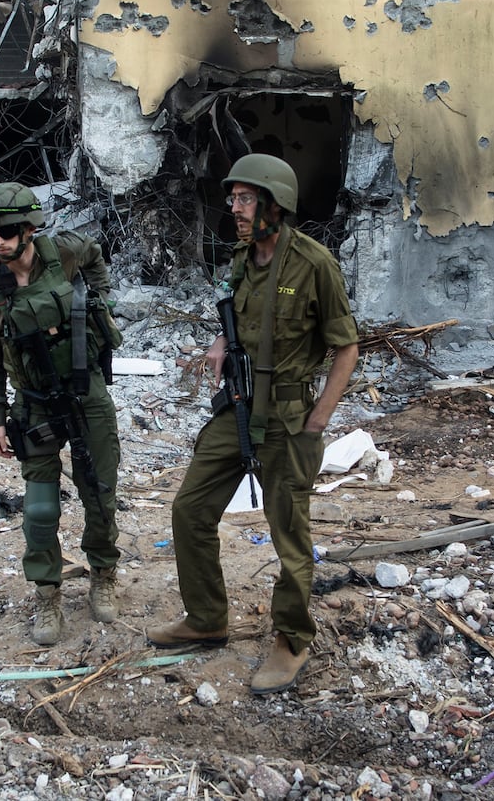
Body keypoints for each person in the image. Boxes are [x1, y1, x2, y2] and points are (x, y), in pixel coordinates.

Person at [147, 153, 360, 695]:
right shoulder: (243, 260)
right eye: (233, 199)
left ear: (273, 204)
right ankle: (206, 617)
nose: (235, 209)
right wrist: (220, 344)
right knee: (190, 508)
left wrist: (319, 418)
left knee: (289, 536)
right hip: (239, 407)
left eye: (244, 199)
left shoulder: (313, 264)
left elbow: (346, 347)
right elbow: (238, 323)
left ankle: (291, 639)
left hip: (290, 420)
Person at [0, 183, 123, 646]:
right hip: (33, 403)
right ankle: (47, 591)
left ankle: (103, 573)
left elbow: (97, 256)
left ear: (30, 228)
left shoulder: (64, 252)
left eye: (7, 231)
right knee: (39, 510)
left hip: (86, 394)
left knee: (99, 492)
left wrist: (96, 303)